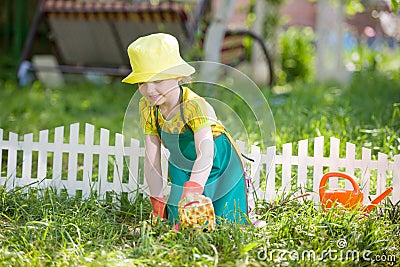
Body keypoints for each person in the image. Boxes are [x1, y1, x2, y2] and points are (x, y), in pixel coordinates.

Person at [122, 33, 248, 226]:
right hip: (181, 161)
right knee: (177, 216)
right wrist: (156, 198)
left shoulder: (194, 106)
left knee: (223, 216)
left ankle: (245, 221)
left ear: (178, 76)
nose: (149, 90)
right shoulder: (148, 107)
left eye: (157, 81)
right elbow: (152, 157)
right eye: (142, 82)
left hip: (217, 159)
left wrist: (195, 187)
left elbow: (205, 152)